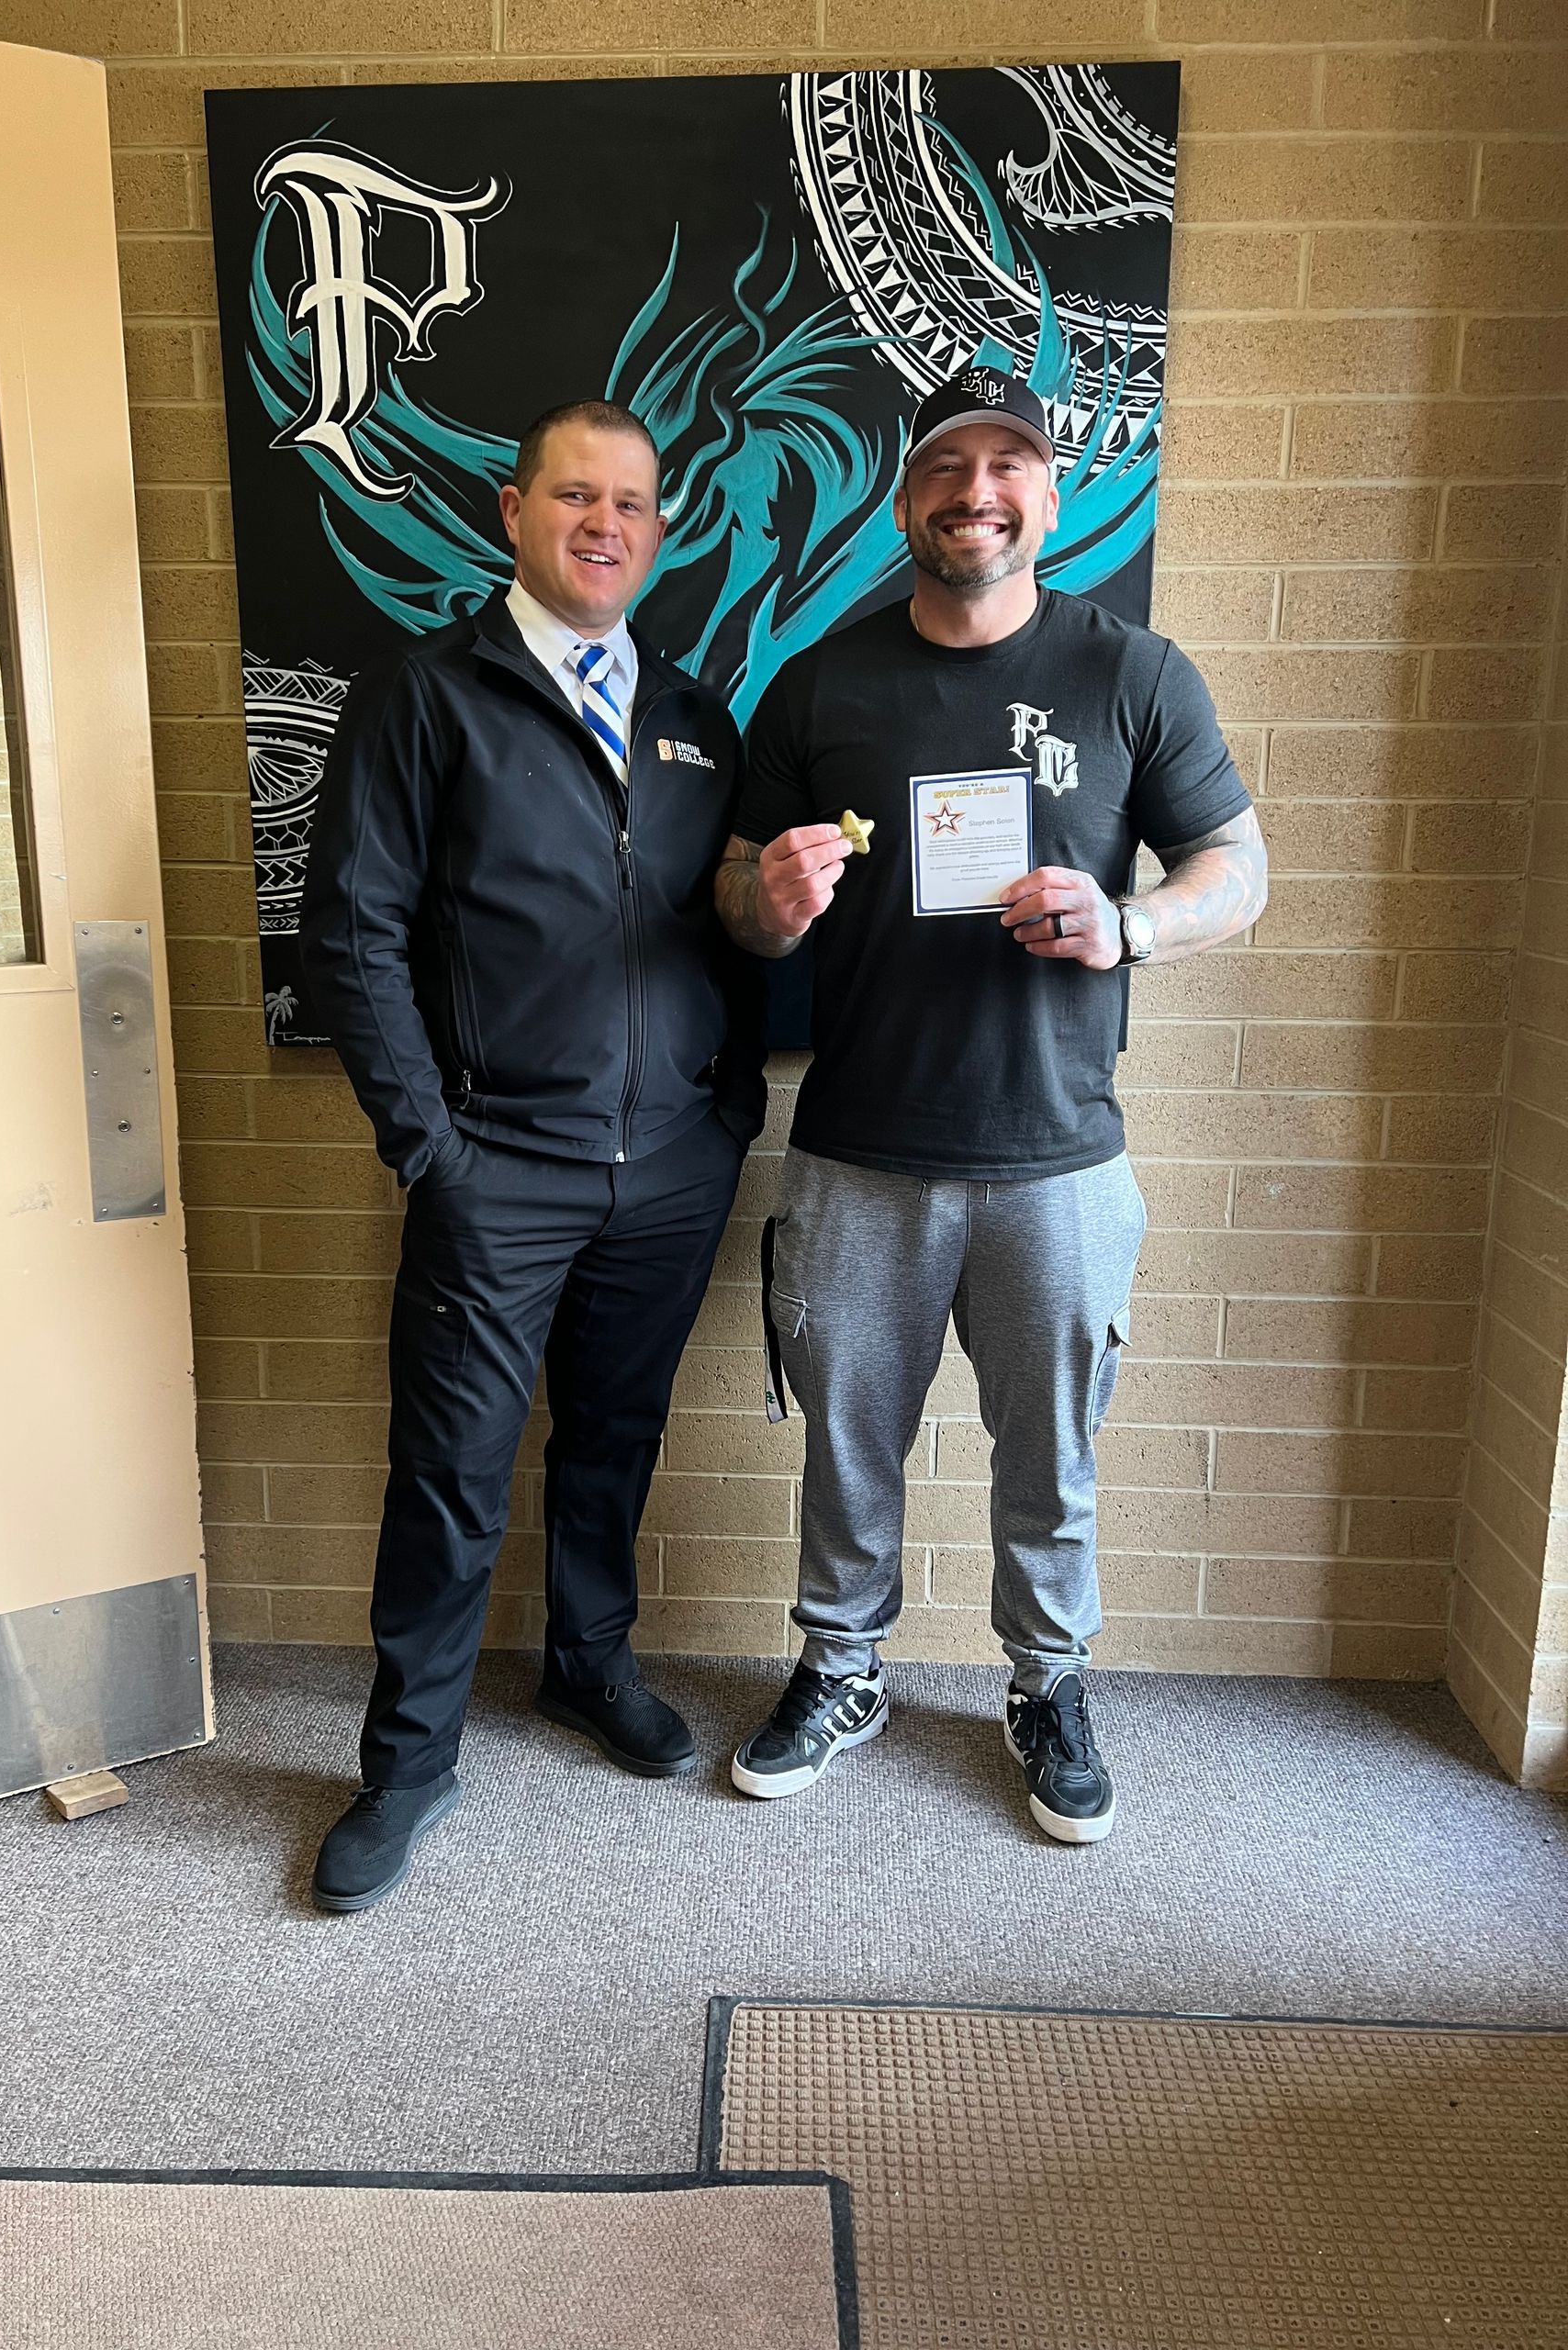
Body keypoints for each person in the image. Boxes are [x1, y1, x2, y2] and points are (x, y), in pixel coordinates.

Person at [714, 366, 1267, 1844]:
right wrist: (765, 901)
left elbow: (1239, 873)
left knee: (1055, 1458)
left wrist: (1131, 924)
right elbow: (737, 898)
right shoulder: (823, 683)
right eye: (949, 466)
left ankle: (1048, 1683)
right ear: (909, 498)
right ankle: (840, 1669)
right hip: (857, 1153)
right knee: (845, 1449)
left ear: (1050, 490)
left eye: (1007, 463)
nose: (978, 491)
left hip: (1057, 1161)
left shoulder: (1134, 673)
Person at [299, 398, 764, 1912]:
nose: (605, 526)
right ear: (514, 511)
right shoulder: (429, 697)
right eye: (577, 496)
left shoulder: (698, 714)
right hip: (495, 1166)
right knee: (450, 1475)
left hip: (672, 1166)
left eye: (632, 504)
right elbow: (351, 934)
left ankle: (587, 1665)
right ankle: (406, 1763)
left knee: (614, 1439)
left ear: (659, 529)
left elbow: (734, 925)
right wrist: (429, 1144)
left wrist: (728, 1111)